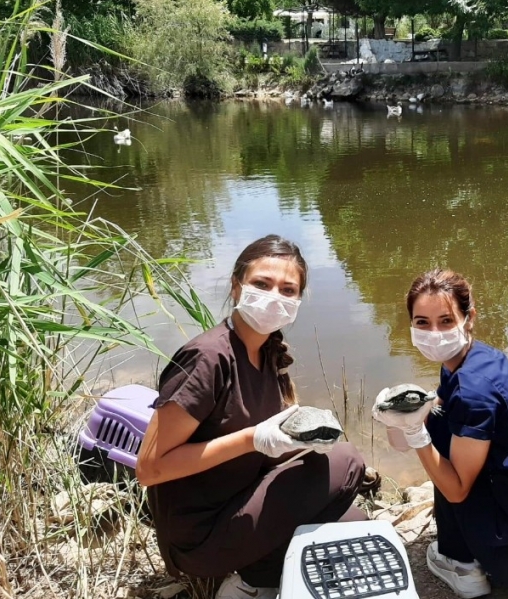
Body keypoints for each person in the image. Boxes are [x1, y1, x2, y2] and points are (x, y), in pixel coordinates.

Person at [136, 234, 366, 599]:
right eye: (262, 283)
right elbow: (149, 469)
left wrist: (299, 439)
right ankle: (249, 583)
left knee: (353, 520)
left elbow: (265, 440)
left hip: (236, 499)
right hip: (199, 537)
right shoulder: (208, 359)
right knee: (348, 460)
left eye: (288, 290)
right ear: (237, 285)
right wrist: (252, 439)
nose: (275, 296)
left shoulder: (266, 352)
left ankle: (264, 565)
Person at [373, 269, 508, 598]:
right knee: (442, 422)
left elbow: (457, 490)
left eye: (446, 321)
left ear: (468, 317)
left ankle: (461, 566)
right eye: (422, 323)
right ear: (411, 324)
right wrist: (398, 414)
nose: (434, 333)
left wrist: (416, 433)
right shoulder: (473, 358)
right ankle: (478, 540)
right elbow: (441, 406)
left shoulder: (474, 390)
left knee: (441, 446)